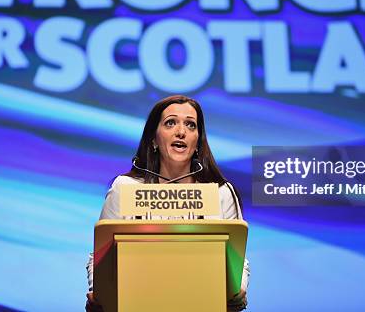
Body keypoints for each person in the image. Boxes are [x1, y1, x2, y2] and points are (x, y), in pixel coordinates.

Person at [86, 95, 249, 311]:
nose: (181, 131)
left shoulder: (220, 192)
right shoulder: (126, 188)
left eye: (190, 125)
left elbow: (237, 260)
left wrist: (238, 290)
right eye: (170, 122)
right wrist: (99, 293)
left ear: (198, 141)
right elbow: (100, 255)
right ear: (153, 139)